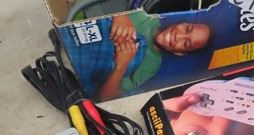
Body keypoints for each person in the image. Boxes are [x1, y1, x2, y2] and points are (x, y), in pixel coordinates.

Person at [70, 13, 211, 100]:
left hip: (76, 69)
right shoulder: (145, 15)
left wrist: (121, 65)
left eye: (186, 43)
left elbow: (104, 98)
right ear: (183, 21)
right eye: (187, 29)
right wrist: (120, 15)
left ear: (179, 53)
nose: (178, 36)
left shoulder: (151, 65)